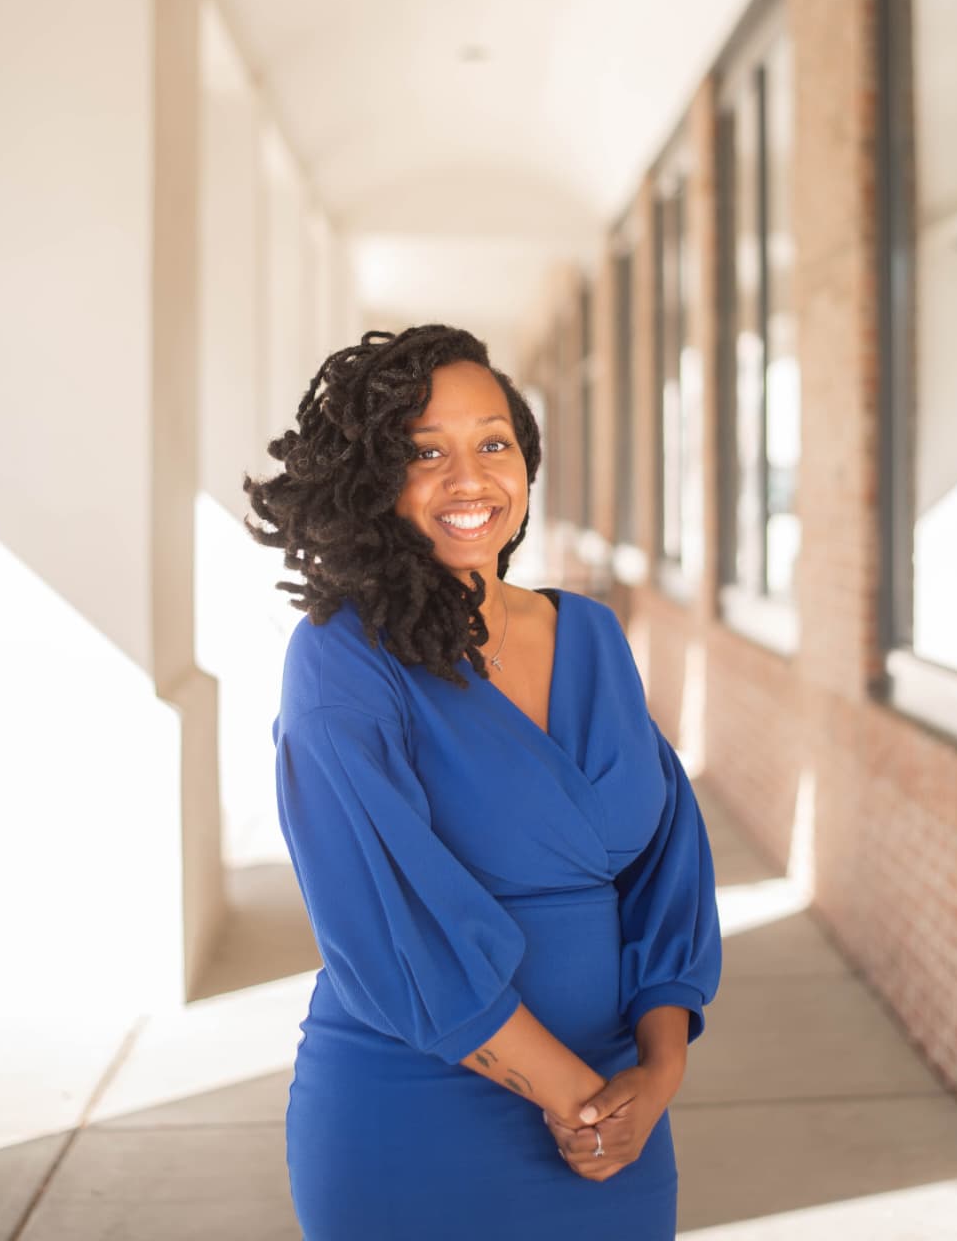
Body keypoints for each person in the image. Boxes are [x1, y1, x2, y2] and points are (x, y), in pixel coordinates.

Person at [243, 322, 722, 1241]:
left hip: (617, 1115)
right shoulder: (342, 658)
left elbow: (667, 872)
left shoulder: (589, 635)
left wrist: (656, 1077)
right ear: (372, 481)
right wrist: (575, 1100)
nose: (469, 479)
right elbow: (380, 919)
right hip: (414, 1115)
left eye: (492, 443)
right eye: (425, 452)